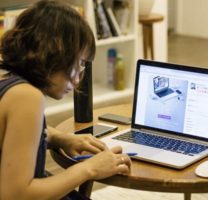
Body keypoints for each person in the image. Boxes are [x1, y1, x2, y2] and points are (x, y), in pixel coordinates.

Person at [0, 1, 131, 199]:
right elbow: (16, 194)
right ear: (55, 53)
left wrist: (60, 138)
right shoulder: (27, 98)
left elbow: (13, 133)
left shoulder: (7, 79)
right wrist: (89, 168)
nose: (79, 78)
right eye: (78, 64)